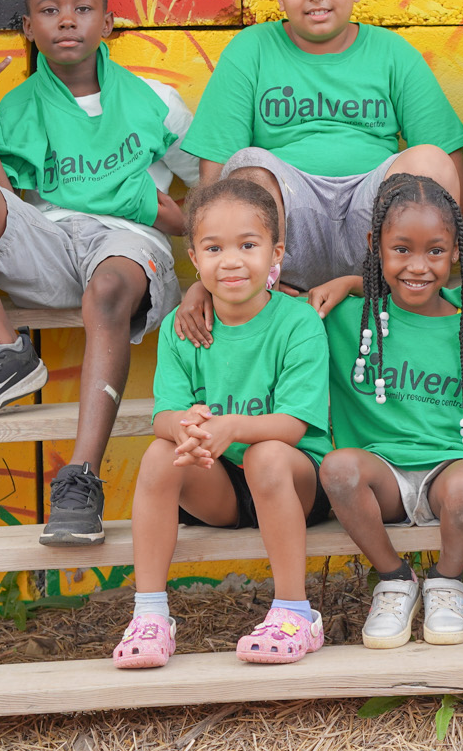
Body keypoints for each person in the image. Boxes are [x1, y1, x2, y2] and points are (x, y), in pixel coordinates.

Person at [0, 0, 195, 546]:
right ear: (29, 27)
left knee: (108, 289)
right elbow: (3, 202)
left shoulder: (155, 100)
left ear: (107, 22)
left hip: (124, 244)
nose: (67, 21)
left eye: (82, 8)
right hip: (50, 240)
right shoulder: (17, 107)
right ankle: (5, 351)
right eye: (50, 10)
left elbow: (209, 184)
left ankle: (79, 479)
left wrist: (192, 239)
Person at [179, 0, 463, 295]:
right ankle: (266, 291)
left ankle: (401, 284)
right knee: (251, 166)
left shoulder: (391, 53)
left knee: (431, 159)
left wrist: (451, 250)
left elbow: (450, 163)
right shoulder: (251, 50)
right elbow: (215, 168)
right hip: (288, 234)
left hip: (374, 227)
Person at [112, 178, 334, 669]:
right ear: (194, 257)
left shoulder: (297, 324)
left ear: (276, 253)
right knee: (158, 455)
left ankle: (295, 612)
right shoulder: (181, 328)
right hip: (222, 485)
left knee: (267, 453)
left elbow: (295, 426)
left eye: (248, 245)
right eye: (214, 248)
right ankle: (150, 615)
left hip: (291, 481)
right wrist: (186, 425)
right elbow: (162, 416)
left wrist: (231, 426)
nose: (230, 261)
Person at [307, 174, 463, 649]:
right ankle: (395, 581)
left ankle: (446, 585)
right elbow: (261, 307)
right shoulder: (343, 317)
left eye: (435, 251)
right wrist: (201, 291)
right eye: (401, 250)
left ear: (455, 253)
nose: (418, 267)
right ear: (375, 245)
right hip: (381, 476)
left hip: (453, 466)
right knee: (339, 469)